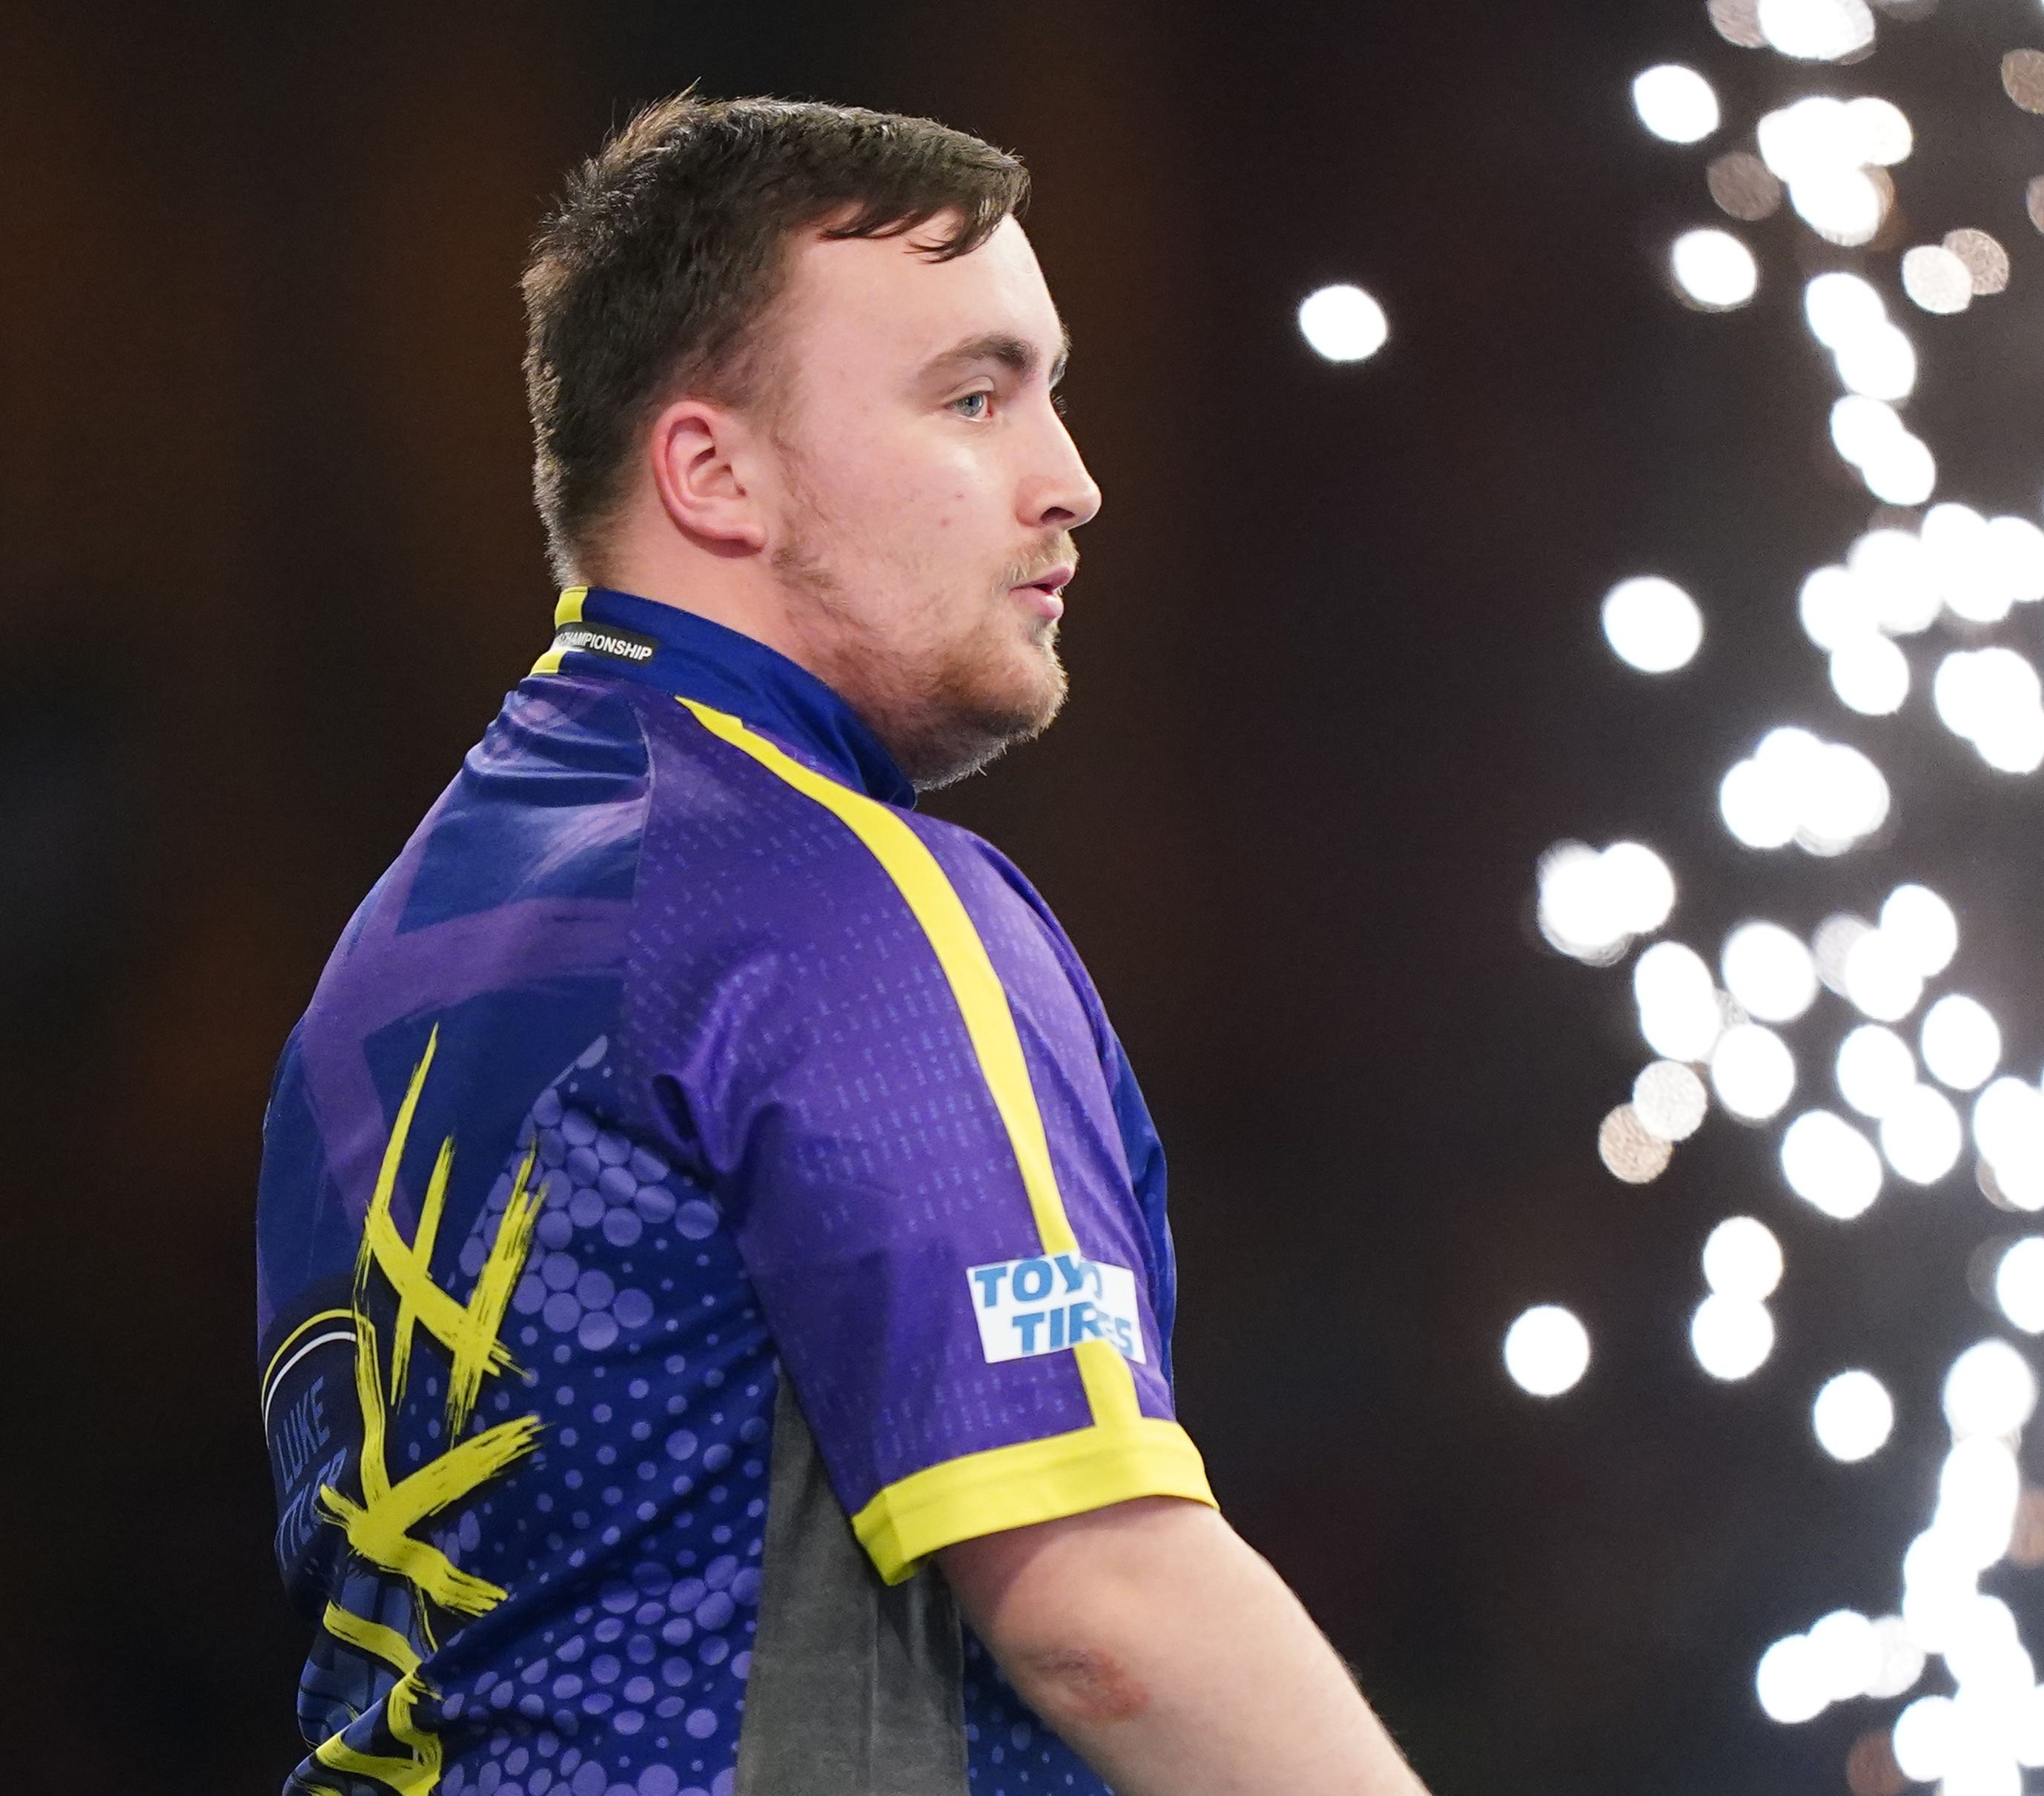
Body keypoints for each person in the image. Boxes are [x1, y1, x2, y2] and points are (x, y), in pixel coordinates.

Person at [254, 95, 1428, 1796]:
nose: (1071, 481)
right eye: (973, 396)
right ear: (711, 472)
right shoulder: (827, 901)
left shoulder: (385, 962)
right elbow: (1100, 1602)